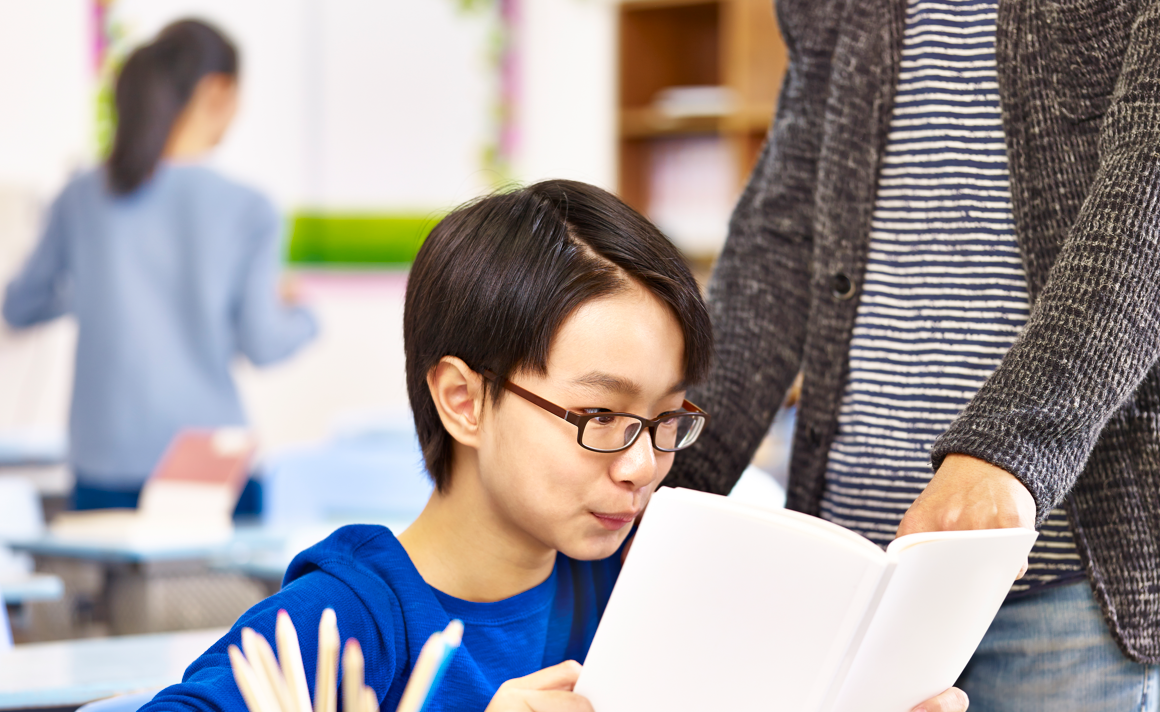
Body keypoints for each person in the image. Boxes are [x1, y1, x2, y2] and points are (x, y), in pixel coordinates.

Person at [138, 180, 967, 712]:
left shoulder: (640, 592)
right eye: (599, 417)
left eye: (667, 418)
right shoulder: (351, 620)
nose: (642, 465)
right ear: (463, 399)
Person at [665, 0, 1160, 709]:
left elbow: (1147, 195)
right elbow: (783, 230)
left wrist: (1011, 451)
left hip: (1062, 596)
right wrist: (674, 471)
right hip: (846, 577)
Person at [2, 20, 317, 512]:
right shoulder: (249, 209)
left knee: (112, 592)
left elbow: (19, 307)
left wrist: (92, 287)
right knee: (222, 594)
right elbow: (262, 342)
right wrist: (304, 315)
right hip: (210, 463)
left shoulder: (81, 196)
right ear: (218, 90)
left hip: (101, 462)